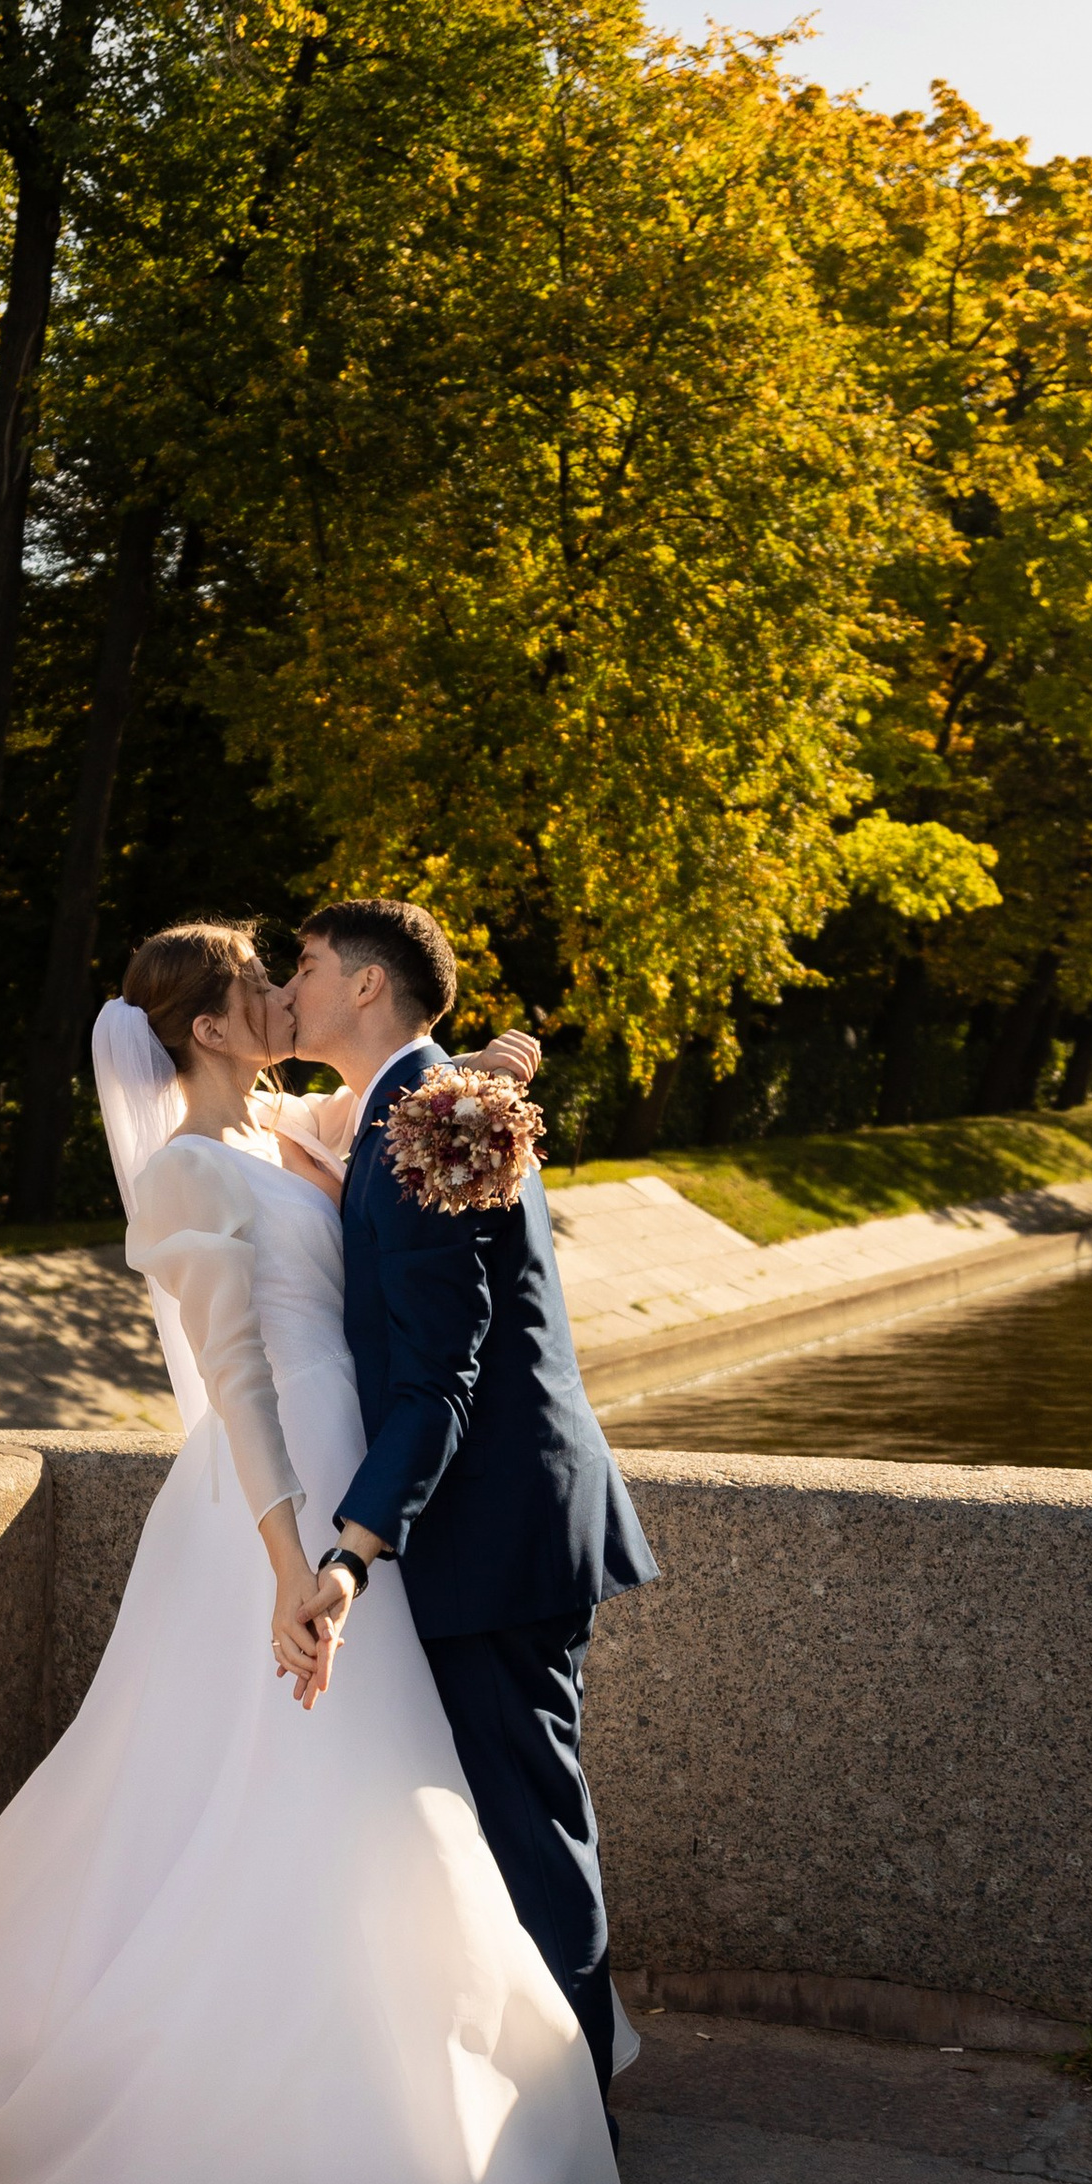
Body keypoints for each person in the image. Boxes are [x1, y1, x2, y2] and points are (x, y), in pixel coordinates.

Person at [0, 918, 625, 2184]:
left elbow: (397, 1102)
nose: (283, 993)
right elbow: (235, 1381)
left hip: (372, 1492)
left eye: (299, 974)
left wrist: (488, 1069)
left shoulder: (292, 1128)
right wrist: (297, 1561)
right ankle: (332, 2100)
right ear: (209, 1028)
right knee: (307, 1792)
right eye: (260, 984)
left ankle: (483, 2073)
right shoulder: (185, 1172)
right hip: (297, 1498)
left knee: (402, 1795)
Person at [279, 898, 656, 2112]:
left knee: (530, 1829)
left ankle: (577, 2126)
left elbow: (442, 1376)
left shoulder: (430, 1120)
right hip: (505, 1519)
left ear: (367, 986)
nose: (289, 986)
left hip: (496, 1534)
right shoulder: (421, 1103)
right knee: (514, 1821)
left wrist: (350, 1553)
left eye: (306, 965)